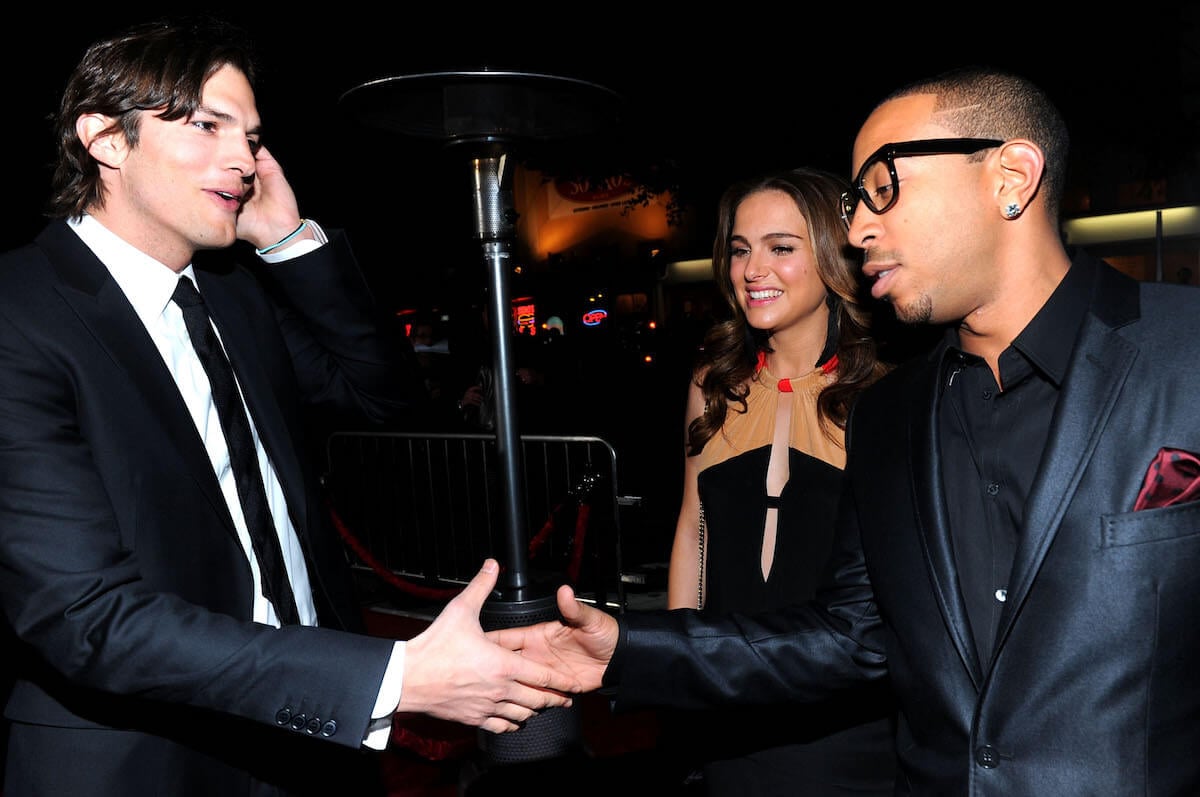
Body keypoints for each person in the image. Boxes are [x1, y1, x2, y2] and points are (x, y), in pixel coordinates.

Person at [495, 65, 1200, 795]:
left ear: (1011, 177)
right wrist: (630, 648)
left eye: (884, 189)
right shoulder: (892, 416)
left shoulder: (1186, 355)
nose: (860, 226)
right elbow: (850, 637)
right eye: (856, 201)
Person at [0, 16, 577, 797]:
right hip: (144, 757)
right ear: (106, 138)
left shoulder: (233, 292)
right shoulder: (21, 312)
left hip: (316, 738)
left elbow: (383, 400)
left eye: (251, 135)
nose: (242, 160)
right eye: (208, 126)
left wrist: (289, 242)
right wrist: (392, 677)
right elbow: (87, 616)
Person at [662, 167, 896, 795]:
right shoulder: (712, 386)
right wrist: (682, 664)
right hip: (727, 702)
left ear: (831, 258)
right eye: (740, 250)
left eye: (781, 248)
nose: (751, 269)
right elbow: (694, 529)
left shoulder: (884, 395)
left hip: (842, 715)